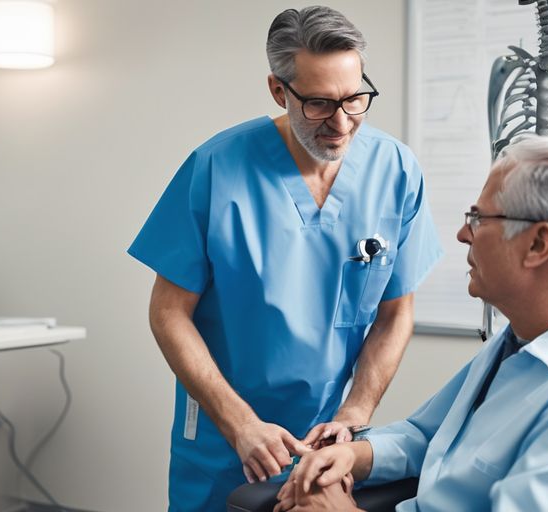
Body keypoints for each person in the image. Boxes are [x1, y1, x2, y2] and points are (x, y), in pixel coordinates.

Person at [127, 6, 443, 510]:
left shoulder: (395, 169)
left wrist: (354, 414)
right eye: (319, 104)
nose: (342, 124)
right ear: (279, 91)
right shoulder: (217, 167)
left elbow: (395, 312)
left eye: (356, 99)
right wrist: (241, 425)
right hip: (222, 434)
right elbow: (168, 312)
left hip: (326, 440)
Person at [276, 135, 548, 511]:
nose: (462, 234)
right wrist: (353, 456)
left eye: (479, 219)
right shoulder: (521, 340)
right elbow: (429, 437)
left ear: (538, 244)